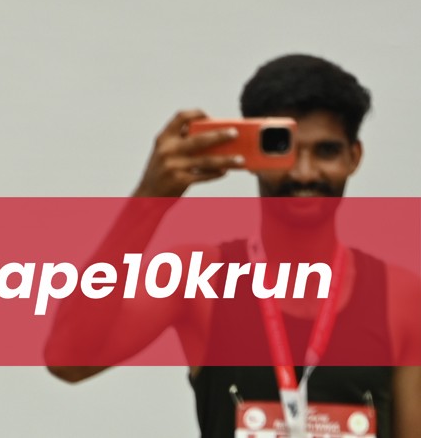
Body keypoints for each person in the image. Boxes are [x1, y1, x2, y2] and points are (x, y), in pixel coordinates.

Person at [47, 53, 421, 433]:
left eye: (326, 150)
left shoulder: (402, 298)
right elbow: (68, 361)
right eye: (283, 148)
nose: (305, 172)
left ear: (354, 157)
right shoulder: (201, 277)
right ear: (252, 154)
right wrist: (150, 200)